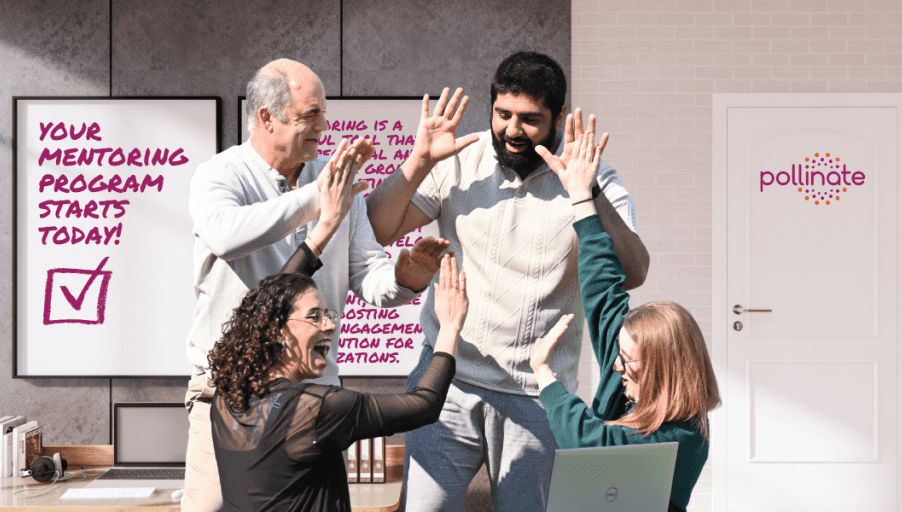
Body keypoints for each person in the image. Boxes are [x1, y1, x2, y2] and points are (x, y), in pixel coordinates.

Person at [365, 51, 651, 511]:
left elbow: (633, 272)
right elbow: (378, 228)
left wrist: (588, 190)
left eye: (530, 119)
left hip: (536, 395)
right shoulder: (460, 159)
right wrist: (419, 160)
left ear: (558, 115)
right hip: (446, 381)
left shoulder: (590, 176)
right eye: (503, 114)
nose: (512, 130)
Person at [182, 58, 452, 511]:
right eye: (310, 115)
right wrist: (321, 198)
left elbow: (369, 275)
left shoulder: (334, 178)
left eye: (323, 113)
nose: (323, 127)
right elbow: (226, 235)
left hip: (311, 399)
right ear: (267, 117)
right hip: (230, 396)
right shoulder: (221, 174)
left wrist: (406, 278)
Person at [528, 130, 721, 512]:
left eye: (627, 360)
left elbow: (592, 447)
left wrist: (546, 378)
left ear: (663, 368)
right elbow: (602, 292)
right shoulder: (631, 385)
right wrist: (582, 197)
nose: (615, 366)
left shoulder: (682, 435)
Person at [205, 252, 470, 512]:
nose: (330, 326)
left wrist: (318, 239)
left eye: (328, 315)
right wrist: (448, 327)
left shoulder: (228, 394)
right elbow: (425, 404)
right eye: (314, 316)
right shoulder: (314, 409)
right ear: (276, 330)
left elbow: (266, 307)